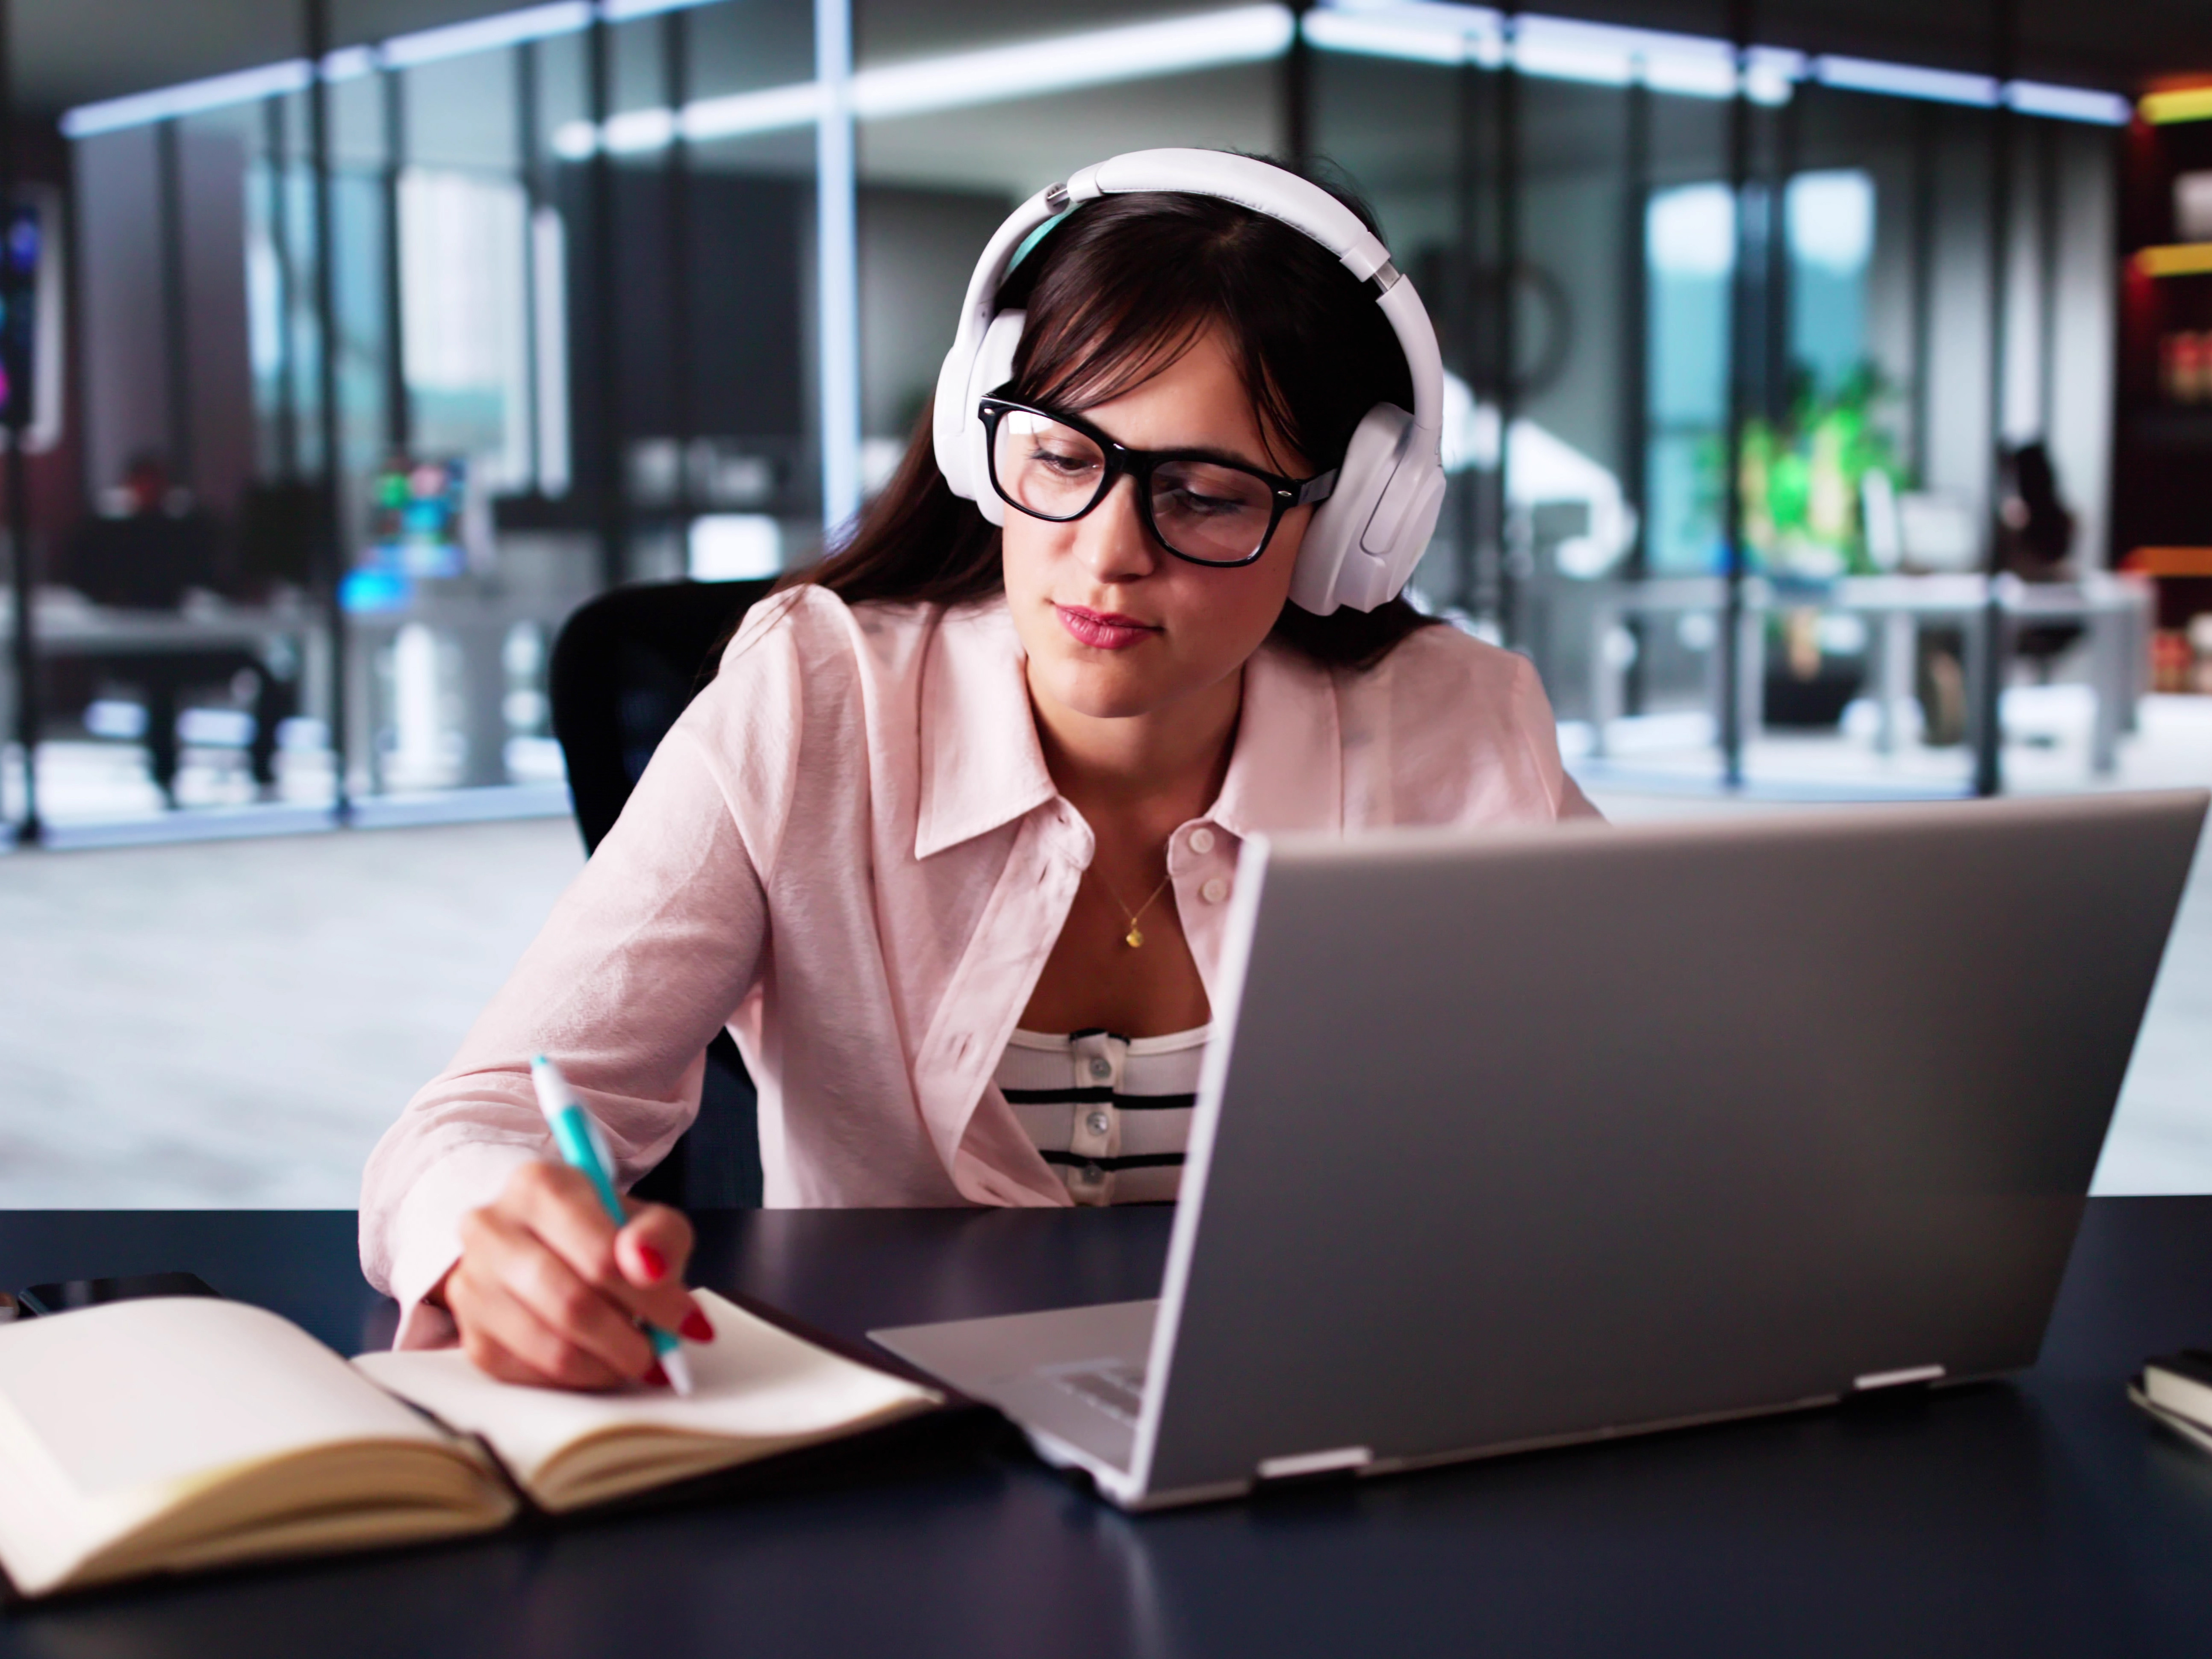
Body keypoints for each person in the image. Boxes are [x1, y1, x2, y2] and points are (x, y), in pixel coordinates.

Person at [360, 153, 1599, 1391]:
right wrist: (493, 1238)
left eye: (1207, 494)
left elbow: (1666, 1104)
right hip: (881, 1462)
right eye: (1063, 460)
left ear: (1344, 527)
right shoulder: (814, 702)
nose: (1106, 556)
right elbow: (469, 1124)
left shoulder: (1462, 732)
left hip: (1311, 1424)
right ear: (979, 437)